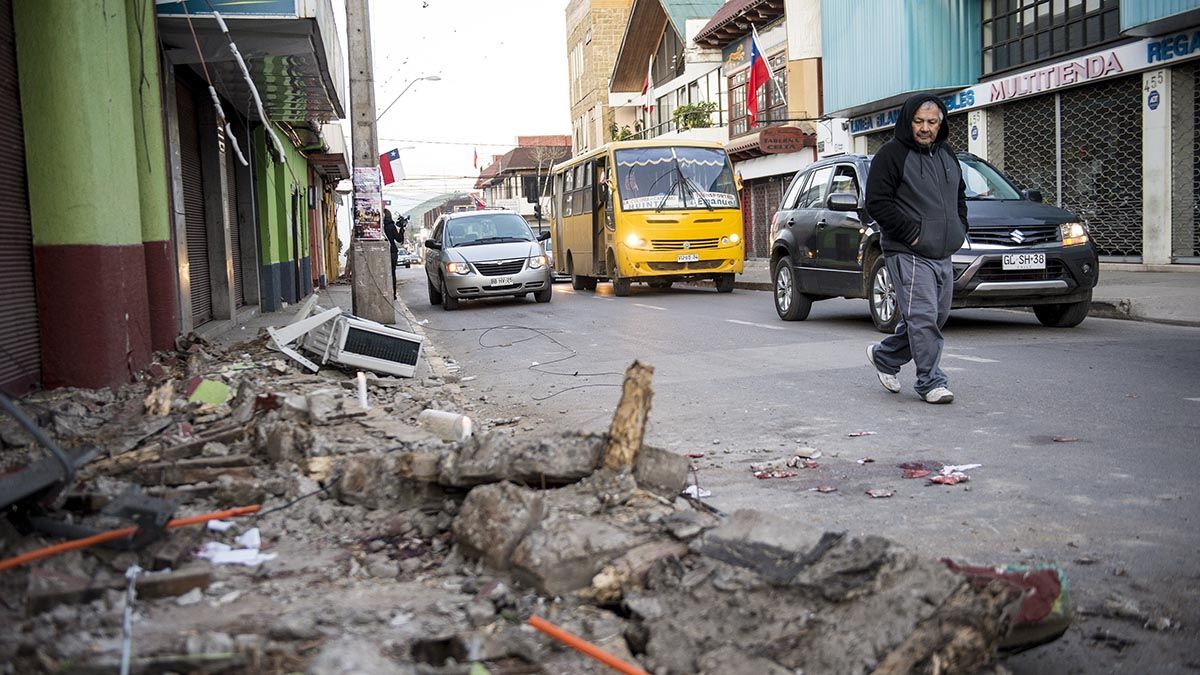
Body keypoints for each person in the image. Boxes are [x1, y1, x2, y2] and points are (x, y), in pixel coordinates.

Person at [864, 93, 968, 404]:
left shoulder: (948, 156)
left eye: (932, 122)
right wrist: (912, 233)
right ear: (909, 121)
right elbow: (876, 203)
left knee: (935, 317)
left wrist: (961, 227)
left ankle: (886, 356)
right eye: (919, 121)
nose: (925, 128)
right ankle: (930, 382)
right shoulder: (891, 155)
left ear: (941, 123)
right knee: (922, 316)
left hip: (943, 252)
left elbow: (959, 196)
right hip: (907, 251)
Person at [383, 208, 400, 299]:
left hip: (382, 251)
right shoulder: (391, 226)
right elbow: (399, 239)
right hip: (392, 251)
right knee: (392, 273)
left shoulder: (381, 227)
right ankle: (393, 294)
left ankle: (385, 291)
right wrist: (402, 229)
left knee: (384, 273)